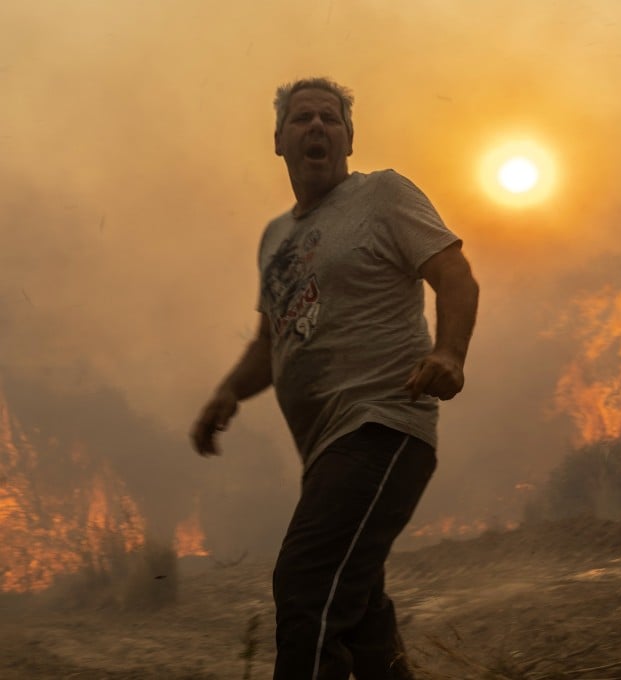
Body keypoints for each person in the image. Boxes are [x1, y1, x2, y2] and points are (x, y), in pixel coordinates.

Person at [189, 76, 479, 680]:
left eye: (330, 118)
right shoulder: (275, 238)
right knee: (362, 616)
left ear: (350, 138)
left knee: (307, 584)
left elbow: (454, 274)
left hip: (382, 424)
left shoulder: (383, 195)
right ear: (278, 140)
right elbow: (271, 342)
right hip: (326, 451)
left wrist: (450, 352)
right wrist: (228, 391)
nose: (317, 127)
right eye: (302, 118)